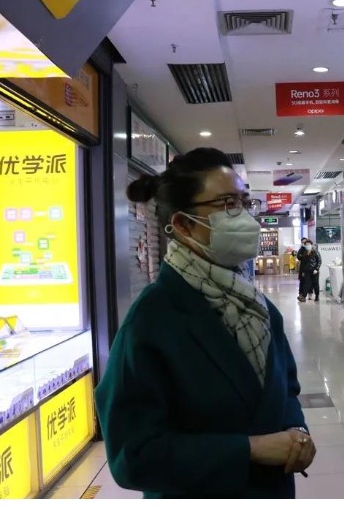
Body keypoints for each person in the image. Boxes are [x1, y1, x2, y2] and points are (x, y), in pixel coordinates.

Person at [96, 147, 313, 499]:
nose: (244, 216)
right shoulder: (151, 321)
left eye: (244, 202)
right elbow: (133, 456)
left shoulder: (258, 306)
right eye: (227, 203)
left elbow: (286, 387)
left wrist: (297, 432)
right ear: (183, 224)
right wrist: (249, 449)